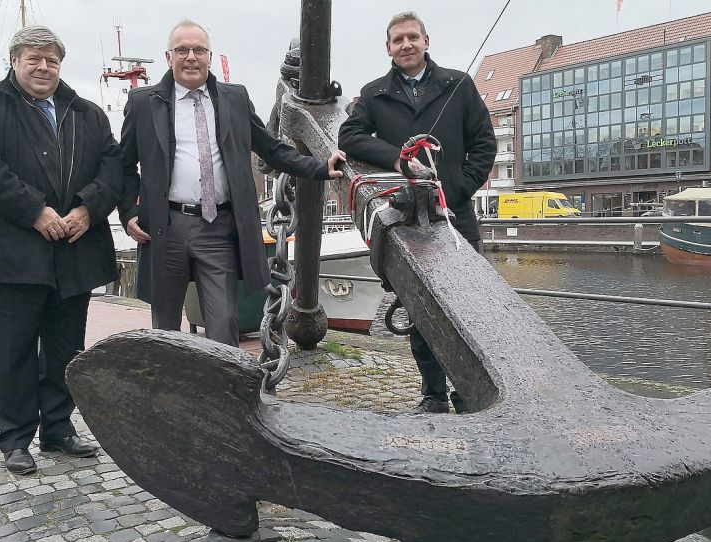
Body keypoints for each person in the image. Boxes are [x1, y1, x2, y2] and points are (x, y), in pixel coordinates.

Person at [0, 26, 121, 474]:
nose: (43, 66)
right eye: (34, 58)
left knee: (67, 347)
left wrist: (89, 208)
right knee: (11, 352)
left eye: (51, 59)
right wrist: (34, 210)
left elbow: (113, 165)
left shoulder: (86, 113)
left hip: (73, 252)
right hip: (12, 254)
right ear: (14, 61)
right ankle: (15, 437)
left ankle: (59, 428)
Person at [118, 20, 345, 347]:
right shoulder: (143, 103)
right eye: (182, 50)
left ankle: (220, 395)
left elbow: (271, 148)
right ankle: (168, 395)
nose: (191, 57)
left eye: (198, 50)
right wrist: (128, 211)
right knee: (165, 330)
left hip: (218, 227)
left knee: (224, 323)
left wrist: (320, 167)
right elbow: (124, 164)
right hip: (166, 227)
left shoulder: (234, 98)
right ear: (169, 57)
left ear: (210, 56)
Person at [338, 11, 496, 414]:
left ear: (427, 41)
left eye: (412, 38)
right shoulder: (375, 93)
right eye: (398, 40)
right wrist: (397, 160)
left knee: (467, 309)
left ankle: (468, 392)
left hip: (455, 212)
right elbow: (350, 136)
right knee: (420, 310)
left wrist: (459, 188)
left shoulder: (457, 84)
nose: (405, 45)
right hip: (407, 215)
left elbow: (483, 143)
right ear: (388, 48)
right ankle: (433, 394)